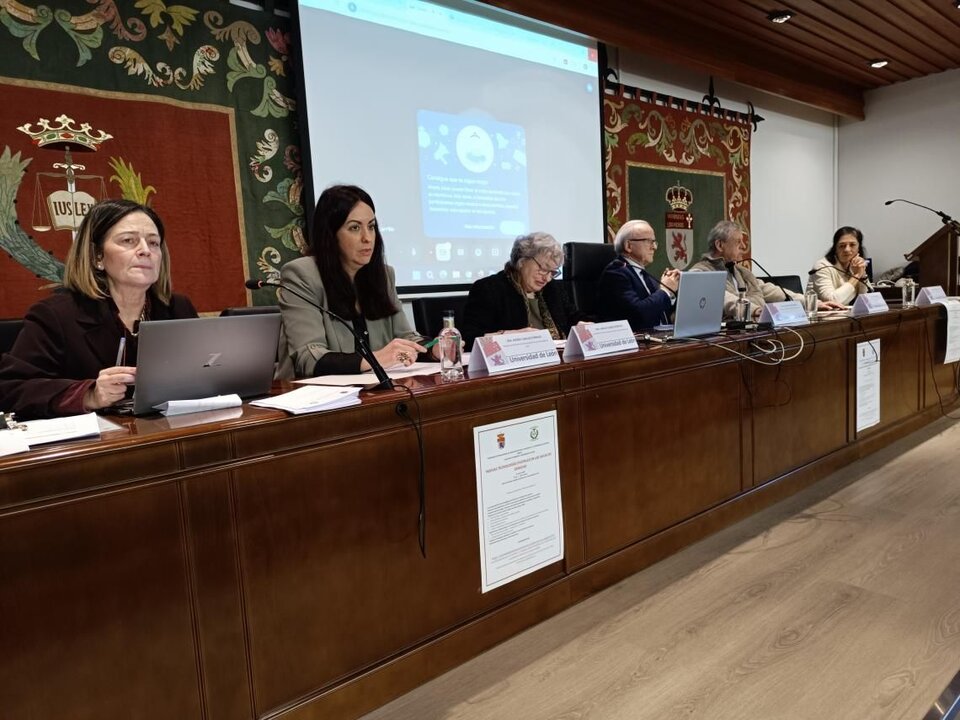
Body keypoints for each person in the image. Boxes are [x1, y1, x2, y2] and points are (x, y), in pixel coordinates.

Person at [0, 199, 198, 419]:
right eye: (128, 241)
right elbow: (10, 389)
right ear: (97, 257)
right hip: (97, 447)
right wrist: (89, 394)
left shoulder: (178, 308)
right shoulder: (56, 315)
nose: (145, 251)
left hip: (170, 436)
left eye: (153, 243)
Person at [277, 184, 440, 379]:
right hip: (314, 398)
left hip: (372, 391)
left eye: (371, 227)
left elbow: (405, 338)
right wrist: (374, 359)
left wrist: (434, 349)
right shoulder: (301, 274)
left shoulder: (383, 275)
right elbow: (308, 357)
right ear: (331, 234)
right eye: (354, 228)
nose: (367, 238)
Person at [689, 220, 841, 319]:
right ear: (720, 245)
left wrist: (810, 302)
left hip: (752, 331)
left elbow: (771, 290)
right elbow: (722, 298)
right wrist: (755, 310)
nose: (743, 247)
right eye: (738, 242)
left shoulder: (742, 272)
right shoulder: (700, 273)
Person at [461, 232, 586, 347]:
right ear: (522, 260)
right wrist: (510, 336)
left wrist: (584, 325)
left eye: (552, 272)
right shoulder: (489, 289)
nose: (547, 278)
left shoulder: (553, 288)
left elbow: (573, 317)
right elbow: (469, 338)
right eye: (543, 269)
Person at [596, 219, 680, 330]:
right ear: (628, 246)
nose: (654, 247)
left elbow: (659, 310)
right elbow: (639, 314)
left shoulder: (642, 273)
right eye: (649, 241)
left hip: (661, 340)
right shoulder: (616, 273)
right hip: (637, 343)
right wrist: (665, 291)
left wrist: (672, 292)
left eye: (654, 242)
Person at [809, 226, 870, 304]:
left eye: (852, 245)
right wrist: (856, 276)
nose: (847, 249)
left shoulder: (855, 266)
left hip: (846, 313)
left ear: (859, 248)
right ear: (835, 248)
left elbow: (864, 299)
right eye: (842, 246)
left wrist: (862, 275)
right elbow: (832, 300)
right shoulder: (822, 266)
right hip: (821, 314)